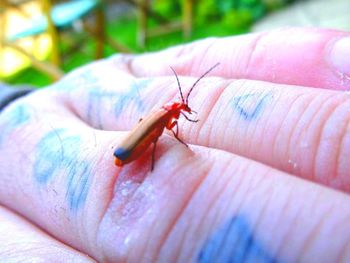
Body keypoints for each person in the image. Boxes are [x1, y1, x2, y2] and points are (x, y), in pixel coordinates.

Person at [0, 27, 349, 262]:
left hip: (130, 145)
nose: (183, 110)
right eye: (182, 107)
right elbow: (159, 134)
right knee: (157, 144)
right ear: (176, 107)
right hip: (130, 150)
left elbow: (168, 128)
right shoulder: (164, 117)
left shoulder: (167, 113)